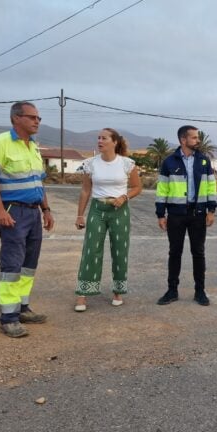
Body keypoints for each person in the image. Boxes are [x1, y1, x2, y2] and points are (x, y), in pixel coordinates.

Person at [0, 101, 54, 338]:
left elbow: (38, 181)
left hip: (33, 212)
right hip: (13, 211)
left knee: (28, 265)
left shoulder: (32, 146)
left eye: (38, 118)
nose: (37, 121)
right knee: (12, 264)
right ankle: (9, 317)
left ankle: (23, 308)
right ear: (16, 118)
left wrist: (46, 209)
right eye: (32, 117)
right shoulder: (0, 142)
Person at [74, 128, 142, 312]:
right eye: (98, 138)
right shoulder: (90, 164)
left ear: (114, 142)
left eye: (104, 138)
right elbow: (85, 190)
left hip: (120, 210)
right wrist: (80, 215)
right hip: (97, 209)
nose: (99, 140)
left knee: (119, 250)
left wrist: (124, 197)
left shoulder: (127, 164)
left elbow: (137, 187)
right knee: (91, 249)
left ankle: (118, 292)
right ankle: (83, 294)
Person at [155, 125, 217, 306]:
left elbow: (211, 187)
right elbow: (162, 190)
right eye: (195, 137)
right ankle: (172, 290)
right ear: (183, 140)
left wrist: (211, 210)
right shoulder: (169, 162)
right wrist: (161, 214)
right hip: (175, 215)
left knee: (198, 252)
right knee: (174, 252)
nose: (198, 140)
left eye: (198, 137)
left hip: (198, 215)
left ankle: (200, 291)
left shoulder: (204, 161)